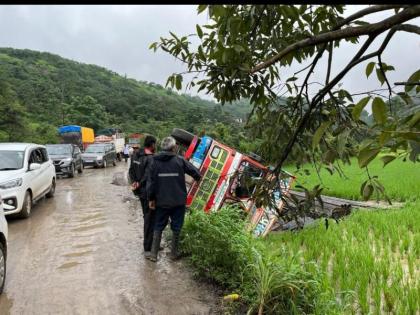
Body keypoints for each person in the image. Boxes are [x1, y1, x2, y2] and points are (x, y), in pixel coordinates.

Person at [146, 136, 201, 262]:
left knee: (158, 226)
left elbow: (151, 183)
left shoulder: (154, 161)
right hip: (178, 201)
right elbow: (195, 172)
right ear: (174, 147)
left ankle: (154, 254)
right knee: (176, 227)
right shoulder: (180, 160)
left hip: (161, 201)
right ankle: (173, 254)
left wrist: (151, 199)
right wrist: (198, 178)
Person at [128, 135, 157, 257]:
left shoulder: (135, 154)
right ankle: (148, 248)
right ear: (152, 145)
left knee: (147, 217)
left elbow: (130, 171)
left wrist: (134, 182)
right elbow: (148, 176)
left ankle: (152, 244)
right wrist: (140, 182)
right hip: (147, 192)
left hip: (139, 192)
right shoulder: (150, 158)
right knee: (150, 220)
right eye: (155, 144)